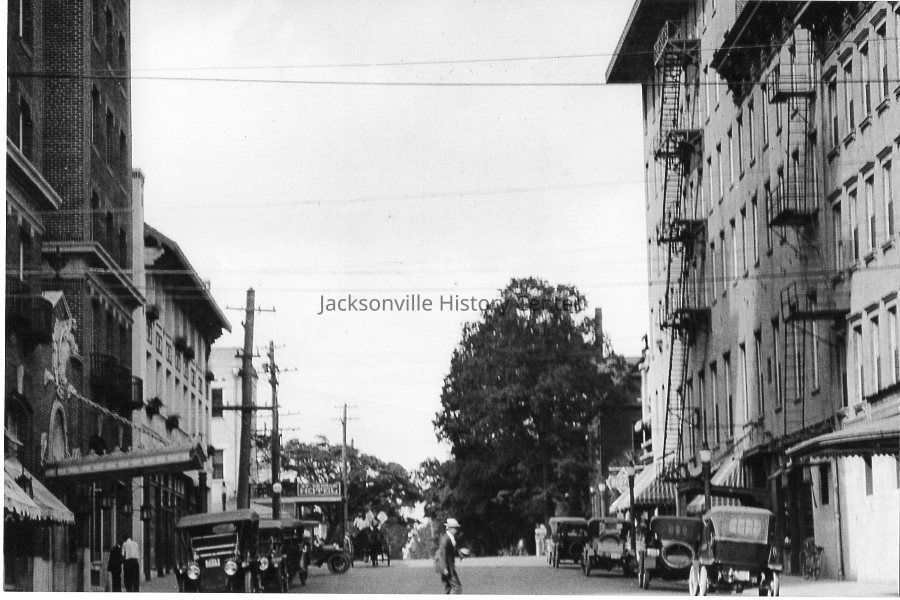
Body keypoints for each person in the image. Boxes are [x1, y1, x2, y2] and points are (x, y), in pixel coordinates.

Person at [435, 518, 463, 594]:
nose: (456, 530)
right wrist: (444, 568)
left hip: (446, 567)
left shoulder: (451, 538)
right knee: (458, 587)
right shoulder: (445, 539)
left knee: (447, 587)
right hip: (447, 568)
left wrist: (459, 553)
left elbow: (451, 551)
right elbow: (443, 554)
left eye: (456, 528)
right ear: (449, 528)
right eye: (454, 528)